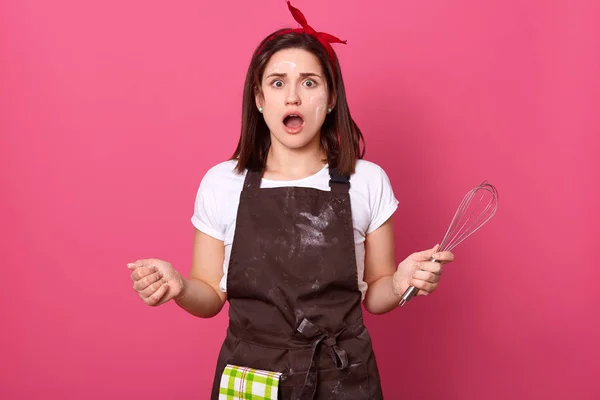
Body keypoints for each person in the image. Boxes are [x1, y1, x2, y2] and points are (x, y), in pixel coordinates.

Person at [127, 2, 454, 399]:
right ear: (260, 98)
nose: (293, 97)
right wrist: (178, 286)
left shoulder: (367, 181)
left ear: (331, 97)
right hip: (251, 375)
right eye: (278, 82)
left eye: (310, 82)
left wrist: (402, 282)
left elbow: (378, 294)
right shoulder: (221, 183)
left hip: (342, 378)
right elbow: (210, 296)